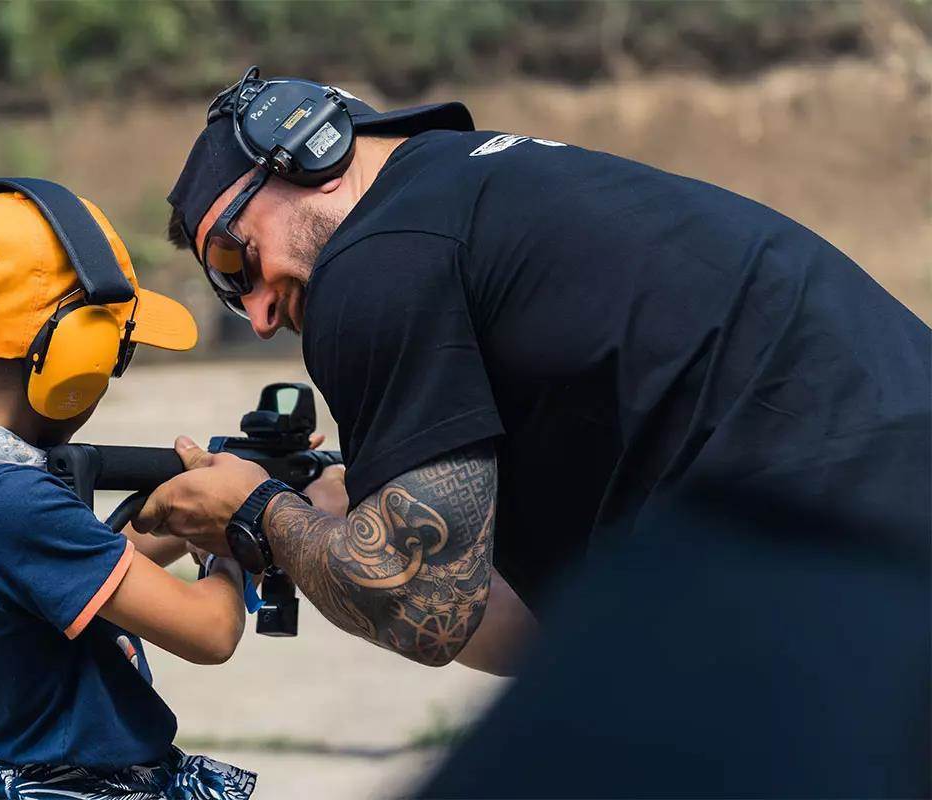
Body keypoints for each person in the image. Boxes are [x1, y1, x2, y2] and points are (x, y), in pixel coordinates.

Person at [139, 66, 930, 688]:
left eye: (233, 261)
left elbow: (415, 607)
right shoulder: (471, 200)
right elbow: (528, 630)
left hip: (832, 537)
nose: (261, 312)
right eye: (229, 296)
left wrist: (257, 512)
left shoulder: (374, 258)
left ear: (307, 155)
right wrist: (335, 517)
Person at [0, 184, 257, 799]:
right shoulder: (16, 506)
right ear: (74, 358)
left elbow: (66, 573)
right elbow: (210, 632)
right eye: (116, 352)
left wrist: (176, 515)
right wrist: (235, 530)